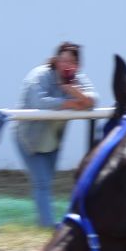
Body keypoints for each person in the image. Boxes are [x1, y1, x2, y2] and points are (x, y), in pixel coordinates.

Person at [16, 42, 96, 228]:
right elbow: (39, 101)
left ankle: (42, 223)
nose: (66, 64)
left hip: (53, 140)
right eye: (63, 59)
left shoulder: (78, 79)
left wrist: (74, 92)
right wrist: (69, 103)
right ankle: (47, 227)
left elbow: (93, 100)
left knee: (46, 182)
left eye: (72, 60)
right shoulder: (40, 75)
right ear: (55, 60)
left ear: (78, 65)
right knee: (42, 182)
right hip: (29, 138)